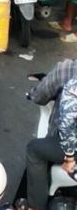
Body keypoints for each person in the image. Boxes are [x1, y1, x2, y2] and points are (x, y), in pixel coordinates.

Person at [26, 60, 77, 210]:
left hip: (70, 148)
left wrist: (69, 158)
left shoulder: (67, 70)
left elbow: (40, 97)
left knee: (34, 149)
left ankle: (36, 206)